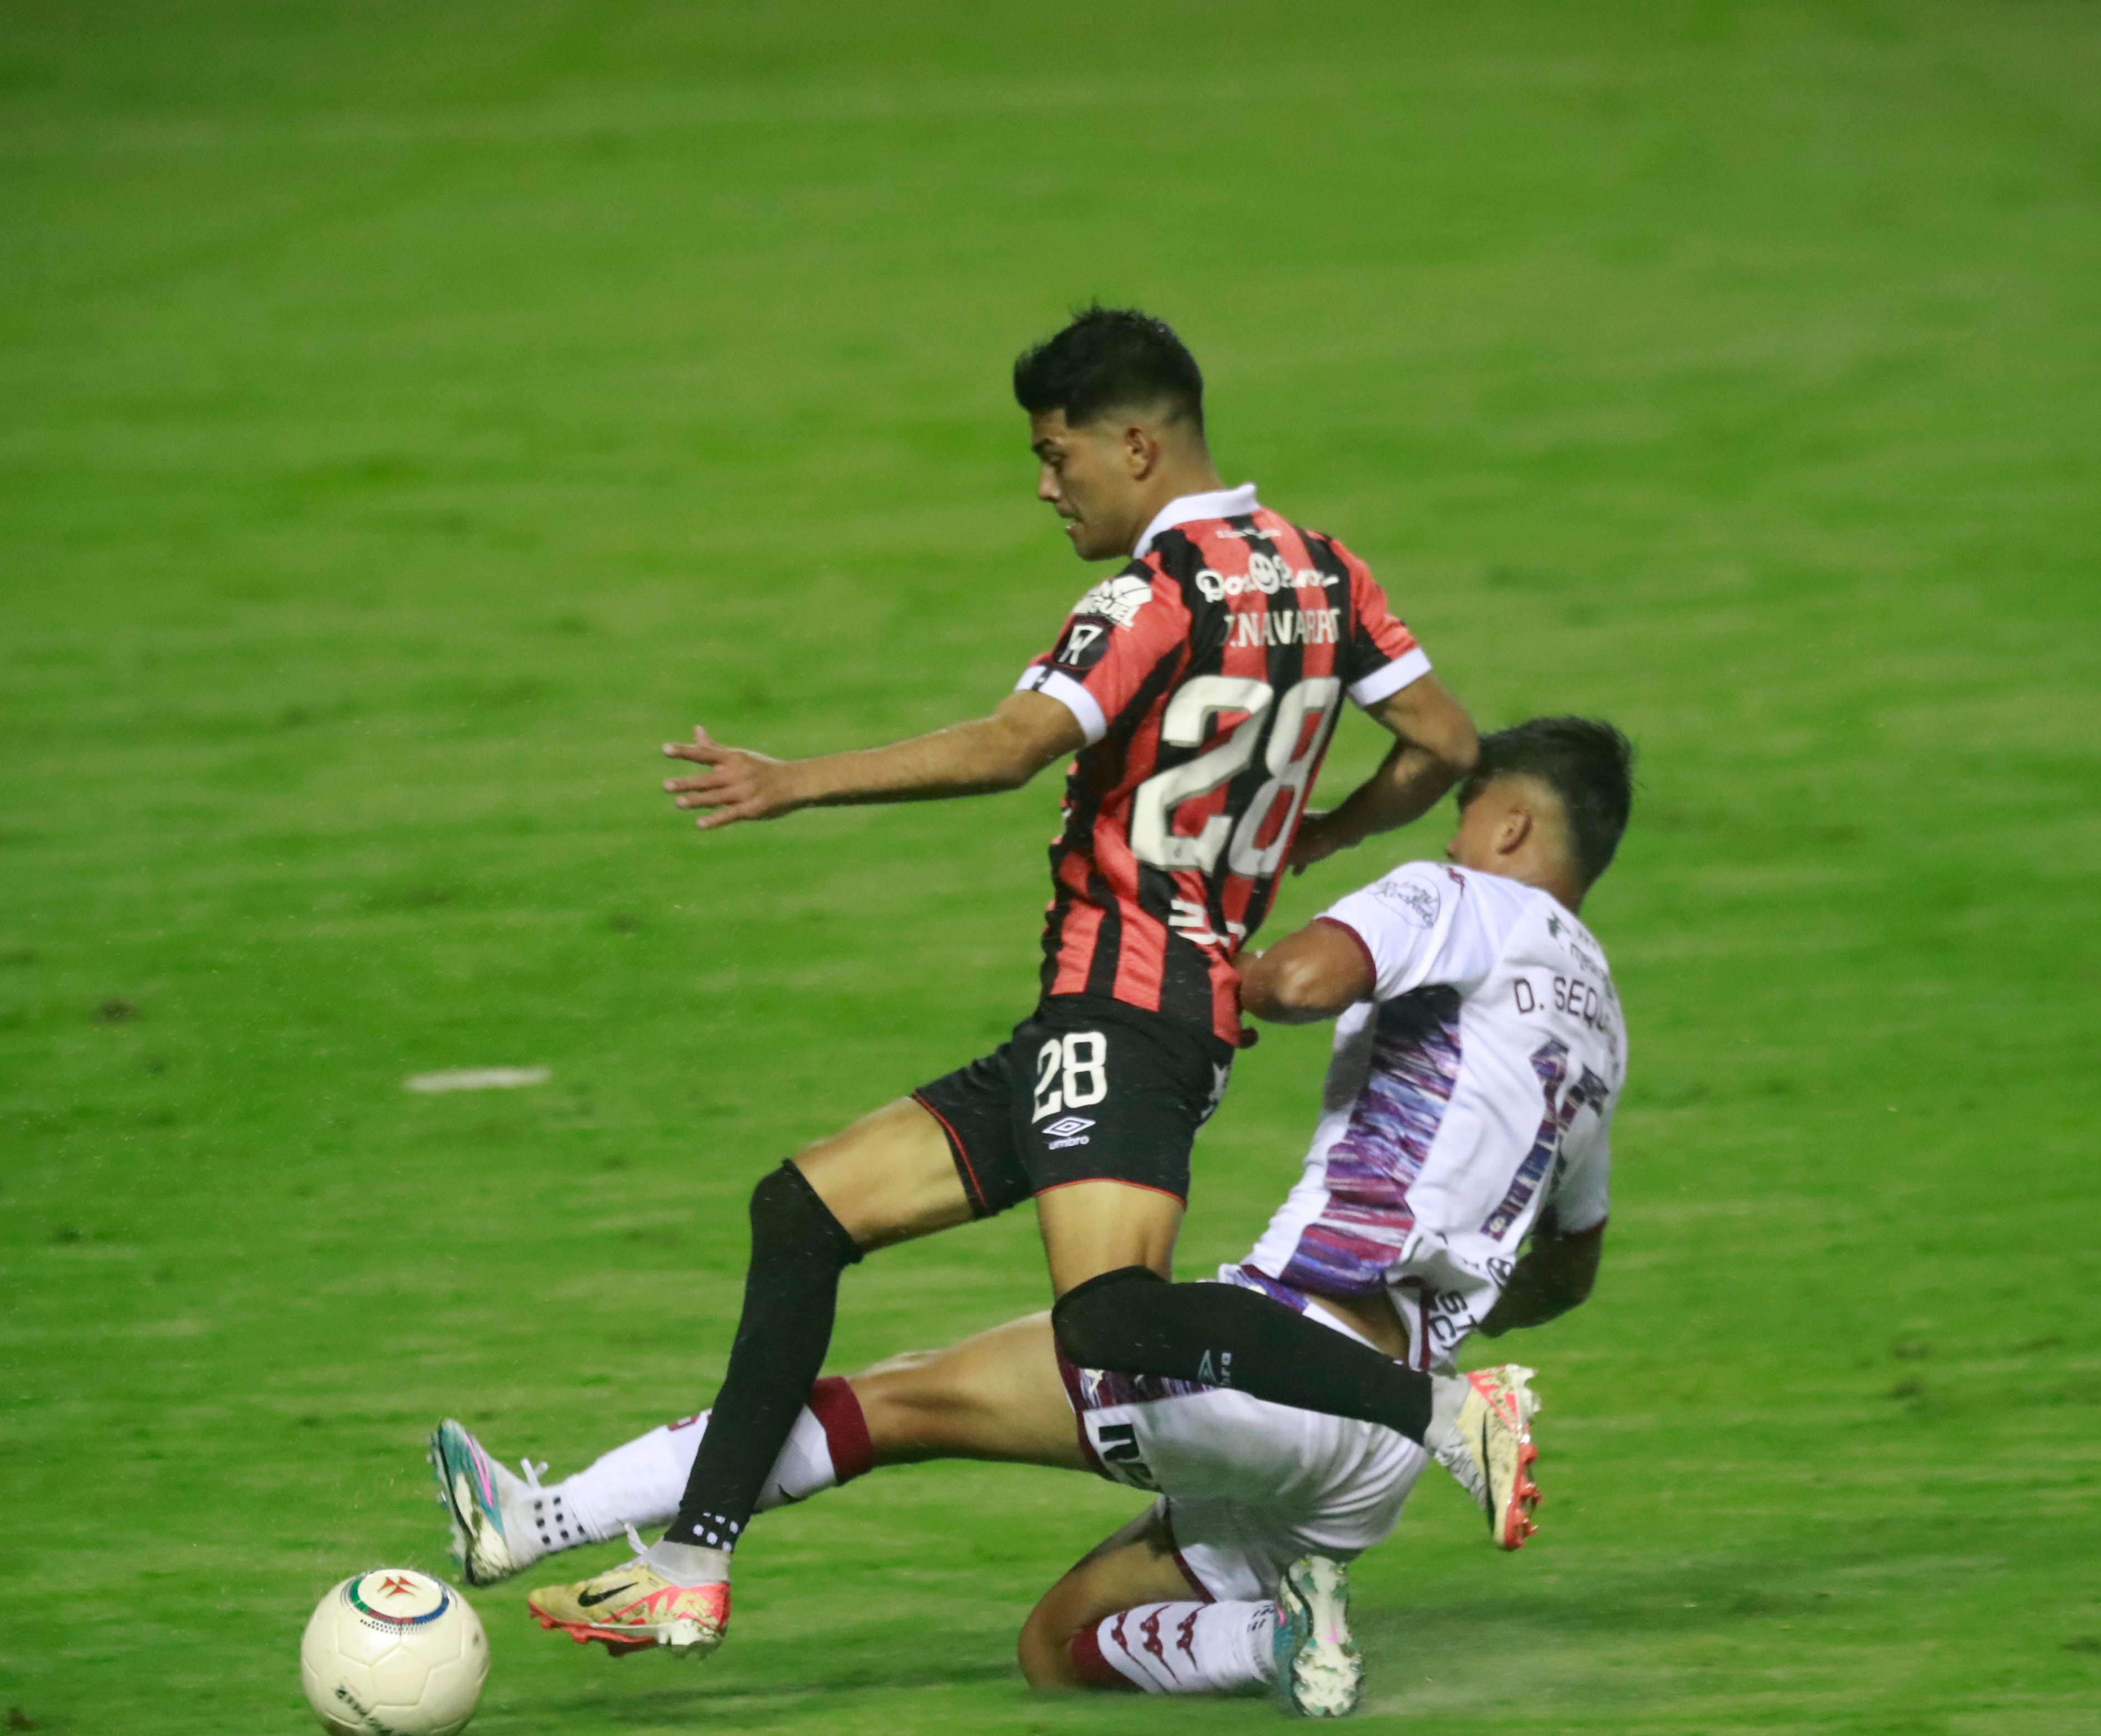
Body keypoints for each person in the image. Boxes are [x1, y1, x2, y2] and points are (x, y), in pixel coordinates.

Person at [561, 306, 1495, 1657]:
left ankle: (1443, 1412)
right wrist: (1320, 831)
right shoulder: (1322, 568)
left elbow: (1012, 746)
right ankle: (694, 1564)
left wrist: (791, 781)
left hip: (1128, 1009)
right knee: (804, 1208)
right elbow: (1444, 738)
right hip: (1111, 1014)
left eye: (1058, 456)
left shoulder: (1152, 593)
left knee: (1111, 1316)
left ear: (1134, 443)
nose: (1044, 485)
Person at [437, 716, 1637, 1698]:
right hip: (1369, 1463)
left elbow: (1307, 976)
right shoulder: (1603, 1031)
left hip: (1275, 1366)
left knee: (898, 1395)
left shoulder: (1455, 896)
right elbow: (1565, 1271)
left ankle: (542, 1516)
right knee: (1056, 1648)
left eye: (1462, 812)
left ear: (1509, 820)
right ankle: (1281, 1634)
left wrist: (1224, 973)